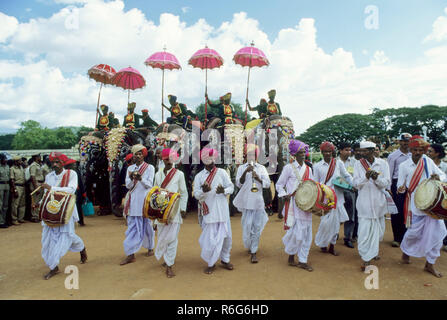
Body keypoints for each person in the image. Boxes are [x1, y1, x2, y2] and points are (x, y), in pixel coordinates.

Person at [398, 136, 447, 278]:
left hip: (432, 203)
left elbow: (442, 175)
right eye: (415, 149)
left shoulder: (428, 161)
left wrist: (438, 178)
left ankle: (430, 264)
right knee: (414, 232)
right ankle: (405, 254)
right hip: (415, 203)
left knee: (437, 233)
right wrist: (401, 188)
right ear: (410, 149)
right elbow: (400, 185)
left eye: (421, 149)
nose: (418, 152)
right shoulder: (404, 166)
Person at [38, 152, 87, 280]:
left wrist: (52, 188)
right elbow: (46, 194)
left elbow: (71, 189)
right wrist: (40, 203)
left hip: (66, 211)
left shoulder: (71, 174)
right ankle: (54, 267)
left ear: (63, 163)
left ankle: (81, 248)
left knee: (67, 236)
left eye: (58, 162)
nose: (55, 164)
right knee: (48, 238)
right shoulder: (49, 176)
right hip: (52, 211)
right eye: (53, 162)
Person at [193, 148, 235, 274]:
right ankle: (211, 263)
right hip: (209, 211)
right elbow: (195, 194)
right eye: (206, 158)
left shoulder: (221, 172)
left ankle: (225, 259)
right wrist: (203, 191)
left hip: (222, 210)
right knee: (210, 238)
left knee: (226, 237)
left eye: (211, 157)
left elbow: (231, 187)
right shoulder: (199, 176)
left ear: (214, 158)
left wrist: (224, 191)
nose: (209, 160)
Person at [276, 140, 314, 271]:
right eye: (300, 152)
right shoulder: (288, 168)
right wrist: (284, 194)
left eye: (304, 152)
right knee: (294, 232)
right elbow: (279, 185)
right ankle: (291, 255)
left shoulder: (309, 169)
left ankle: (303, 260)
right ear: (294, 154)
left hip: (306, 205)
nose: (303, 155)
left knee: (307, 233)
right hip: (293, 205)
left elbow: (313, 186)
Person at [353, 141, 390, 270]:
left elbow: (386, 183)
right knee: (363, 232)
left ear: (373, 151)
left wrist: (376, 179)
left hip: (379, 203)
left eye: (365, 151)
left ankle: (373, 251)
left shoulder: (383, 164)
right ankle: (366, 258)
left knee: (378, 232)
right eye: (361, 151)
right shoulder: (358, 164)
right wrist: (365, 178)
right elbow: (355, 184)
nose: (362, 153)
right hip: (364, 204)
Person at [153, 148, 188, 278]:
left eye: (171, 159)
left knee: (172, 238)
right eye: (166, 159)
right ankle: (167, 258)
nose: (169, 161)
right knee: (162, 236)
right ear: (162, 160)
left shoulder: (179, 174)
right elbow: (154, 194)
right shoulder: (158, 175)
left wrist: (183, 208)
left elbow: (184, 192)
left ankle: (169, 265)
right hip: (161, 211)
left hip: (174, 210)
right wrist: (154, 216)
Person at [233, 144, 271, 263]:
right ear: (246, 155)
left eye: (253, 155)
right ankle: (250, 246)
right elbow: (238, 184)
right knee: (246, 227)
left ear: (256, 155)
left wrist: (258, 177)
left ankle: (254, 252)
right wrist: (245, 172)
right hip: (246, 203)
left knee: (256, 228)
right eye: (249, 155)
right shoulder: (241, 168)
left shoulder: (261, 168)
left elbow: (267, 184)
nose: (251, 157)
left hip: (258, 203)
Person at [314, 141, 352, 256]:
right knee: (325, 222)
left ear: (333, 152)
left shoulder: (338, 163)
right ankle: (323, 243)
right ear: (322, 152)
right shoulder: (317, 166)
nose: (327, 154)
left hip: (338, 197)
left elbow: (346, 175)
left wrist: (353, 184)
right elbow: (315, 183)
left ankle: (332, 245)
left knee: (336, 223)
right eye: (325, 152)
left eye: (330, 151)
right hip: (325, 198)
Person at [120, 144, 155, 266]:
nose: (138, 156)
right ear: (133, 156)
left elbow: (149, 185)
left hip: (145, 200)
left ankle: (150, 247)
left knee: (147, 225)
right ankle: (130, 254)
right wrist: (131, 179)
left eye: (140, 154)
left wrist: (140, 179)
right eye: (136, 154)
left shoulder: (150, 168)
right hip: (133, 201)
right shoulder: (130, 169)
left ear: (143, 155)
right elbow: (128, 186)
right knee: (132, 227)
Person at [387, 133, 412, 247]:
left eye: (408, 141)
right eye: (403, 141)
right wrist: (389, 188)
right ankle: (397, 238)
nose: (406, 143)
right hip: (397, 185)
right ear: (399, 142)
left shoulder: (414, 154)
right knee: (397, 211)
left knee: (410, 211)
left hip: (411, 185)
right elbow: (389, 173)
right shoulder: (393, 156)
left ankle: (407, 237)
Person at [427, 143, 447, 252]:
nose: (428, 153)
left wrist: (440, 179)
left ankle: (444, 241)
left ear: (437, 153)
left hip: (443, 197)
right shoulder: (426, 164)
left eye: (430, 151)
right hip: (429, 196)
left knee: (443, 219)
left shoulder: (445, 166)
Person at [337, 142, 357, 248]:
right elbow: (335, 178)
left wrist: (353, 185)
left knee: (351, 214)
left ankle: (348, 238)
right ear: (340, 150)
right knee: (336, 214)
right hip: (337, 191)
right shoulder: (334, 162)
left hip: (351, 191)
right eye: (346, 150)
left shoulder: (354, 162)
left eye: (350, 150)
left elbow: (355, 176)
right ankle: (334, 235)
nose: (348, 152)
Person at [10, 156, 26, 225]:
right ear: (15, 162)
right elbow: (12, 180)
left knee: (22, 203)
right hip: (17, 186)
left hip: (23, 186)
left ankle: (21, 218)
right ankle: (14, 219)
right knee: (15, 204)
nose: (21, 162)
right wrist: (15, 190)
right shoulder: (12, 169)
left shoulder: (21, 167)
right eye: (19, 161)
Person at [29, 154, 45, 223]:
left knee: (39, 200)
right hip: (36, 183)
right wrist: (36, 187)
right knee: (35, 200)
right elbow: (32, 177)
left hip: (40, 183)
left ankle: (38, 215)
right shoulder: (33, 165)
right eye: (39, 156)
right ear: (35, 157)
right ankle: (34, 216)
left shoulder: (39, 165)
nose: (40, 157)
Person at [0, 154, 10, 228]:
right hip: (1, 185)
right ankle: (1, 221)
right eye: (4, 159)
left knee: (5, 204)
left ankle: (4, 220)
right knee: (0, 204)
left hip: (7, 185)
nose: (6, 160)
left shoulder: (7, 166)